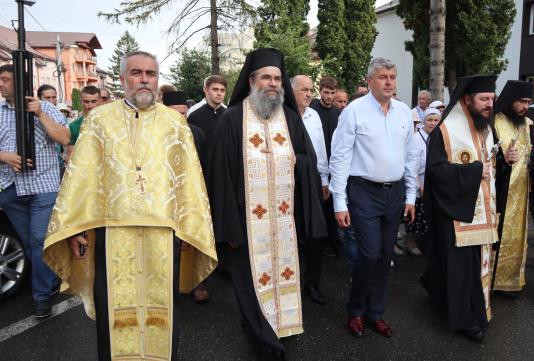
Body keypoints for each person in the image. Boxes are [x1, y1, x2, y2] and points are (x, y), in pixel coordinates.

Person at [43, 51, 217, 361]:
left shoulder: (175, 124)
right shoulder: (99, 120)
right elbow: (80, 179)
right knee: (114, 314)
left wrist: (192, 230)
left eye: (151, 73)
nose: (145, 79)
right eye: (137, 73)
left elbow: (189, 181)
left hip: (164, 235)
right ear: (123, 79)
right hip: (111, 235)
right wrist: (74, 228)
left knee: (163, 314)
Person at [207, 48, 326, 361]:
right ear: (251, 81)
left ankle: (277, 327)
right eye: (266, 78)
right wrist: (228, 228)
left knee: (282, 274)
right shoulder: (233, 120)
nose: (272, 84)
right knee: (250, 285)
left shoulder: (289, 119)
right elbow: (219, 177)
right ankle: (268, 344)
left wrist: (290, 163)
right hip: (246, 223)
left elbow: (308, 160)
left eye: (277, 78)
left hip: (285, 220)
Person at [330, 57, 418, 339]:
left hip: (395, 193)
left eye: (393, 76)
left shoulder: (404, 112)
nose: (390, 82)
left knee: (384, 257)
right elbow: (340, 158)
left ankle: (375, 313)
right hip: (363, 191)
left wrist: (411, 196)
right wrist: (339, 202)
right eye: (383, 77)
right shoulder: (354, 112)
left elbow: (412, 155)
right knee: (369, 255)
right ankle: (355, 311)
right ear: (369, 81)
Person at [422, 74, 506, 341]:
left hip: (482, 211)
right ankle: (465, 319)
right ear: (467, 100)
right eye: (483, 99)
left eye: (491, 99)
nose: (489, 104)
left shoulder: (486, 128)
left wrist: (507, 162)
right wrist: (474, 172)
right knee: (461, 269)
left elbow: (492, 167)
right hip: (456, 212)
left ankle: (476, 309)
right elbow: (436, 171)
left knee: (477, 266)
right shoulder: (446, 131)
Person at [0, 64, 70, 318]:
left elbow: (64, 138)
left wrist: (40, 113)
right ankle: (49, 280)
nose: (1, 83)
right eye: (0, 79)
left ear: (20, 82)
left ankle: (41, 296)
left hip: (43, 187)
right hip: (11, 188)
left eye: (7, 79)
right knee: (30, 243)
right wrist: (5, 156)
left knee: (40, 240)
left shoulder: (48, 108)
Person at [163, 90, 210, 303]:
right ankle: (167, 286)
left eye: (183, 113)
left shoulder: (198, 133)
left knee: (195, 238)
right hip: (165, 197)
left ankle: (198, 283)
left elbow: (207, 167)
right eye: (174, 113)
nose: (179, 118)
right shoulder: (155, 135)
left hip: (193, 196)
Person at [492, 80, 534, 298]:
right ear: (510, 100)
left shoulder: (529, 125)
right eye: (522, 101)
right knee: (498, 236)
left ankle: (510, 280)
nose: (526, 106)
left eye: (529, 102)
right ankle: (492, 279)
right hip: (500, 192)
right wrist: (503, 161)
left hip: (521, 193)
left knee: (518, 238)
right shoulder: (493, 122)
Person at [291, 74, 330, 305]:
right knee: (292, 235)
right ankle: (291, 283)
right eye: (304, 90)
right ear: (292, 90)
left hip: (313, 180)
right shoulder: (282, 116)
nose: (309, 94)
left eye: (310, 90)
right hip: (290, 183)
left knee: (316, 234)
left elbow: (321, 150)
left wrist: (324, 179)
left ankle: (313, 284)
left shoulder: (314, 115)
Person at [402, 108, 440, 257]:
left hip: (436, 183)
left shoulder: (440, 138)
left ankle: (428, 242)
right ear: (423, 121)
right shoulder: (416, 139)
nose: (432, 123)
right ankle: (410, 242)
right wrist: (419, 186)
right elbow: (410, 166)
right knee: (415, 215)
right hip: (419, 180)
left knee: (431, 216)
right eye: (429, 120)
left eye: (436, 120)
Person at [311, 76, 341, 258]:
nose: (329, 96)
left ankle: (332, 241)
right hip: (316, 167)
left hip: (334, 167)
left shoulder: (339, 114)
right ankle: (317, 243)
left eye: (332, 93)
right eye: (326, 92)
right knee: (318, 206)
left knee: (331, 206)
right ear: (320, 91)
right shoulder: (312, 111)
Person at [187, 74, 227, 146]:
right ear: (206, 90)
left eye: (222, 90)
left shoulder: (229, 116)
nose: (219, 93)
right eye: (215, 89)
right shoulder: (194, 116)